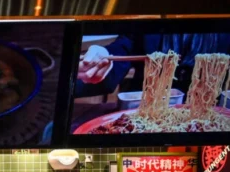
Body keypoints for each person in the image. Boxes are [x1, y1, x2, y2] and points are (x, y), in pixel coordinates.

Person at [76, 34, 230, 98]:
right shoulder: (147, 8)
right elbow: (122, 49)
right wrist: (102, 57)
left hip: (214, 113)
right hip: (143, 109)